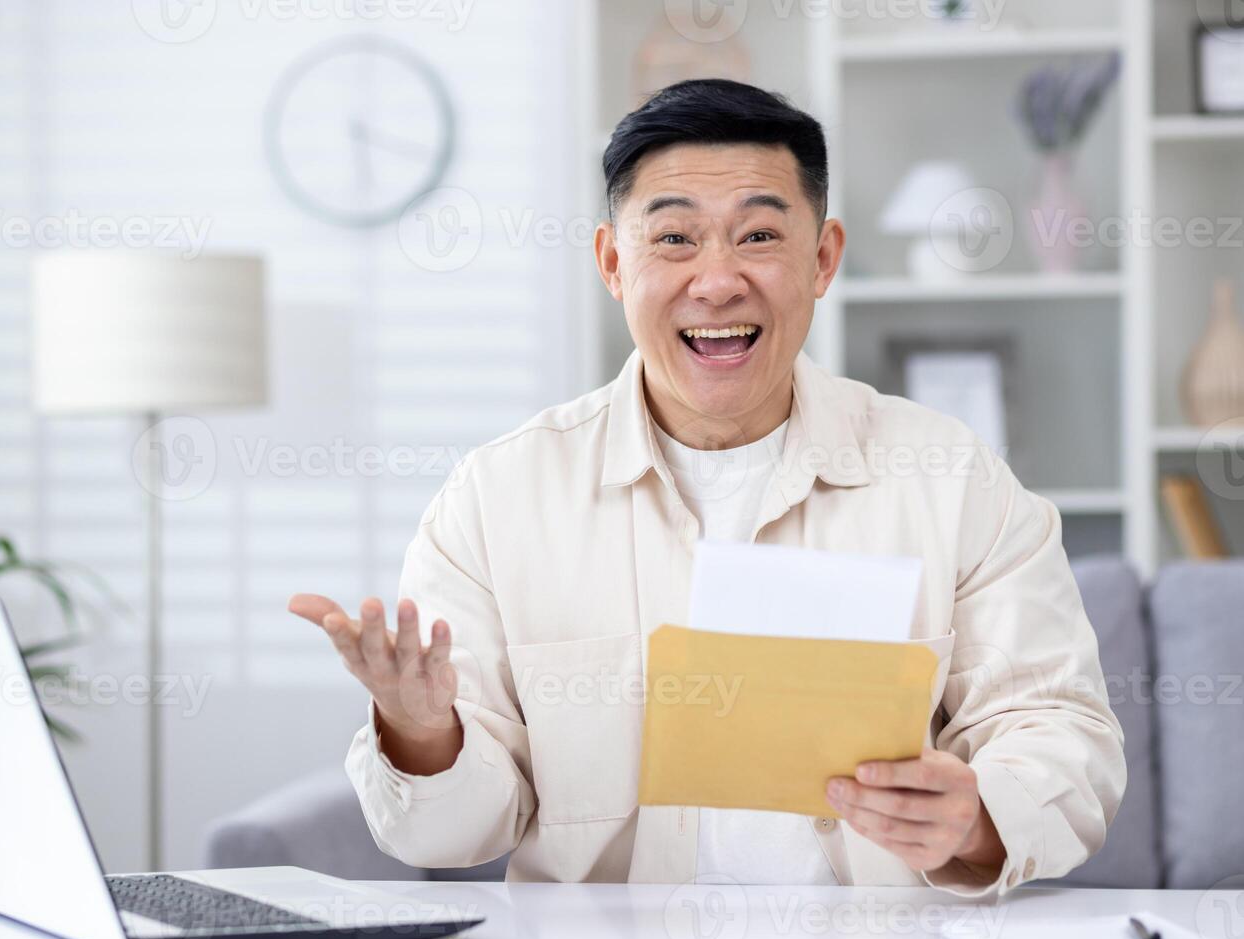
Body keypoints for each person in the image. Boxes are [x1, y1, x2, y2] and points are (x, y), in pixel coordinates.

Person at [289, 79, 1124, 895]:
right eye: (676, 240)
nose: (717, 281)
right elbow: (450, 835)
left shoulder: (952, 479)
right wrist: (420, 731)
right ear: (614, 263)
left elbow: (1061, 730)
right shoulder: (497, 496)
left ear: (824, 257)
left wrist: (976, 817)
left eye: (759, 237)